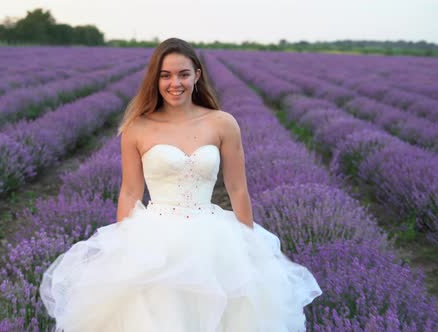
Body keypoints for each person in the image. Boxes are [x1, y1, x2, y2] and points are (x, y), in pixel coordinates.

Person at [40, 37, 322, 332]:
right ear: (155, 79)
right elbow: (130, 191)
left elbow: (238, 189)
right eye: (166, 75)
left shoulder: (222, 123)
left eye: (183, 74)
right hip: (156, 235)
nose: (175, 83)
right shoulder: (138, 127)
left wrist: (249, 244)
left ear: (197, 75)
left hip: (212, 235)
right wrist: (122, 248)